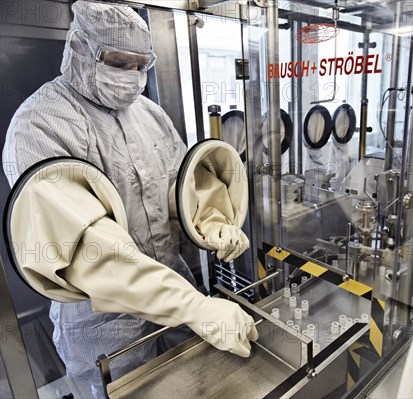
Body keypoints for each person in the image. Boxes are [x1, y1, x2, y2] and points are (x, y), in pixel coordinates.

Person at [2, 1, 256, 397]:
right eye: (119, 62)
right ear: (81, 51)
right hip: (103, 325)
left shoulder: (150, 115)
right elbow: (88, 249)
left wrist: (213, 221)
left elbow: (180, 185)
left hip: (175, 296)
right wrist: (195, 307)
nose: (132, 77)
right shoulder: (40, 124)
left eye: (141, 65)